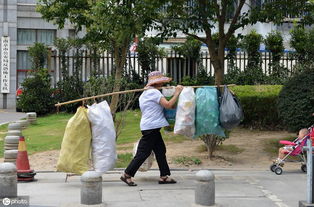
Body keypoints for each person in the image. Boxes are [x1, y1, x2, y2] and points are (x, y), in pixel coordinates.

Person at [120, 71, 183, 186]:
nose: (163, 84)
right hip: (151, 127)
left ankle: (164, 176)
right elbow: (168, 105)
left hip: (150, 126)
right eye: (162, 82)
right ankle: (127, 174)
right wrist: (177, 92)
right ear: (158, 83)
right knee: (143, 153)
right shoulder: (154, 93)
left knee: (160, 151)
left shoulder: (145, 93)